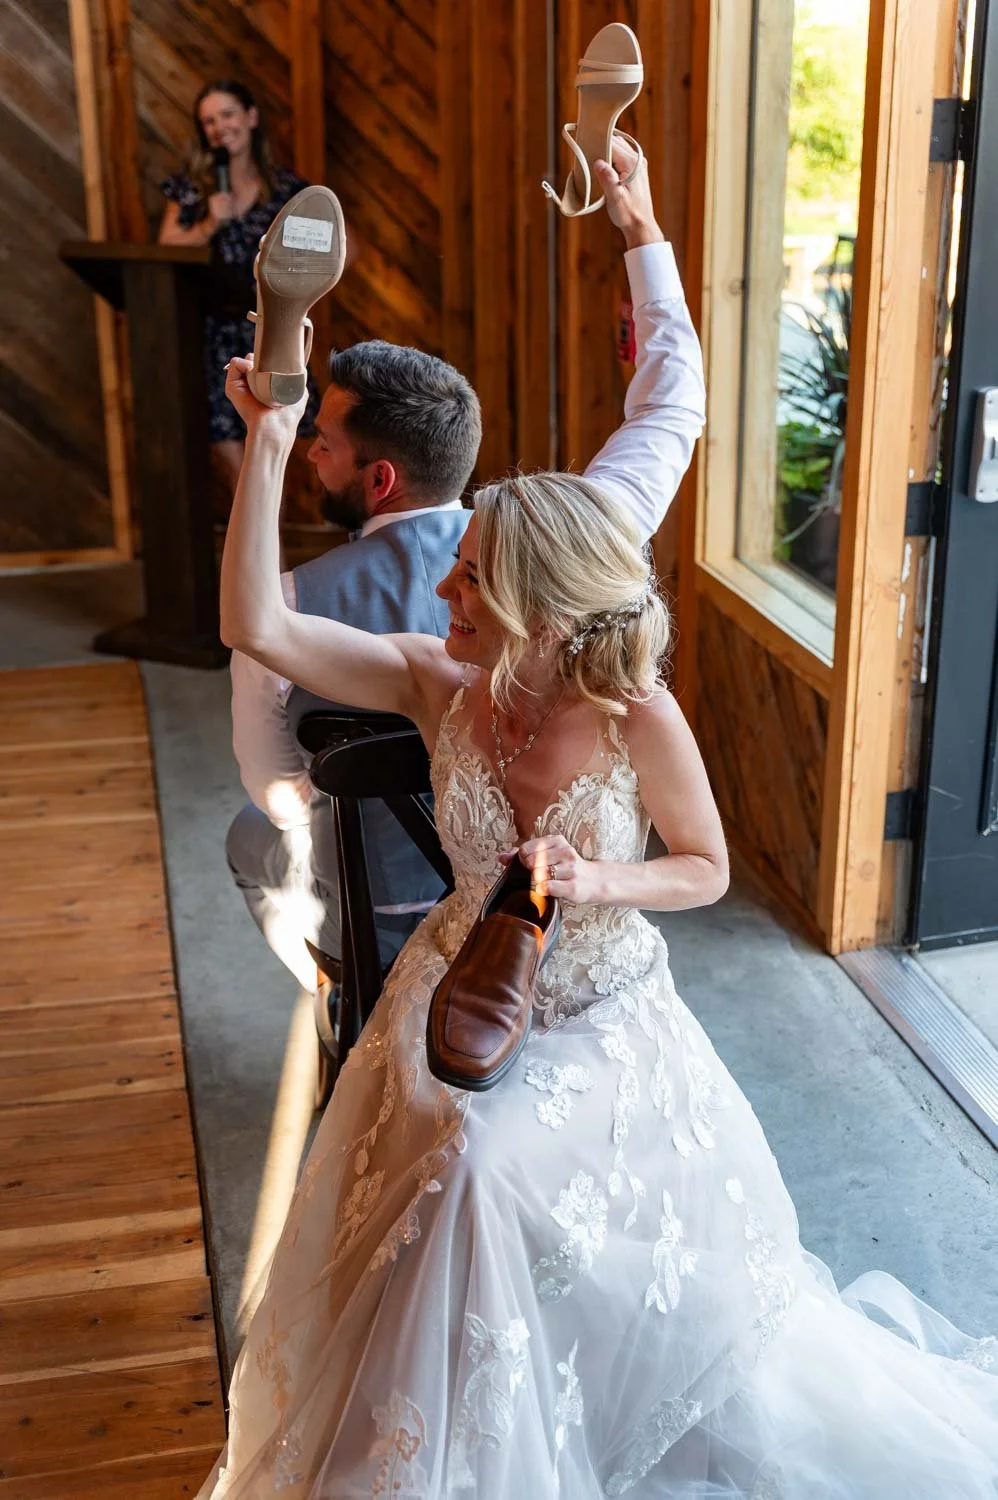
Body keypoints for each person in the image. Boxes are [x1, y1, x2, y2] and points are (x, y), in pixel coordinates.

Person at [196, 156, 997, 1498]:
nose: (438, 580)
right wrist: (271, 436)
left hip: (599, 1014)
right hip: (452, 990)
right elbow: (256, 629)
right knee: (447, 1162)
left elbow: (709, 867)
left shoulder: (633, 711)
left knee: (476, 1173)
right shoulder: (426, 675)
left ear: (537, 602)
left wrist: (596, 872)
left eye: (463, 575)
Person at [225, 138, 705, 996]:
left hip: (385, 920)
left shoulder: (328, 594)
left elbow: (277, 790)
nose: (448, 589)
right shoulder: (592, 537)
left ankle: (326, 983)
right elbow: (674, 404)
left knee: (255, 836)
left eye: (317, 444)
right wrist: (640, 228)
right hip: (451, 940)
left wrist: (271, 430)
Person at [158, 79, 320, 497]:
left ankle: (273, 558)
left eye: (226, 114)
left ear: (250, 117)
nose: (218, 127)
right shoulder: (193, 187)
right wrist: (212, 221)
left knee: (272, 453)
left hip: (270, 327)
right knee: (236, 467)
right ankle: (256, 558)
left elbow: (338, 248)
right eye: (208, 121)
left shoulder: (286, 191)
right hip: (212, 336)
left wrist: (298, 294)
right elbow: (166, 248)